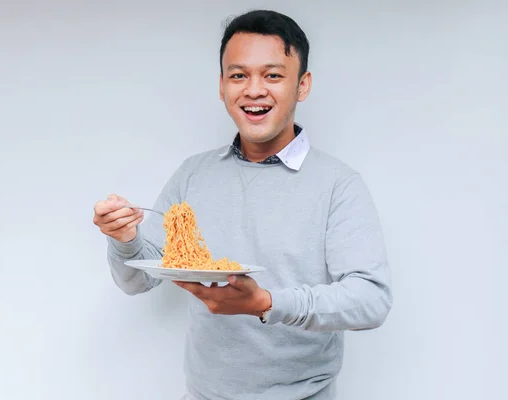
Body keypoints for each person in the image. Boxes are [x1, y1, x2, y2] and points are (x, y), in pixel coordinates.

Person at [93, 9, 392, 400]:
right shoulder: (194, 174)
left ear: (302, 85)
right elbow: (137, 278)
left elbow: (371, 300)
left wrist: (267, 303)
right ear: (222, 86)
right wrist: (124, 238)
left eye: (272, 75)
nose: (253, 90)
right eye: (239, 75)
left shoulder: (338, 185)